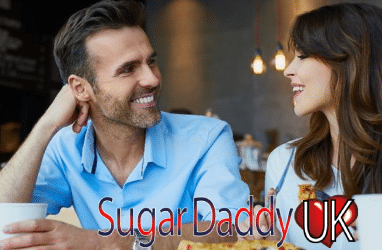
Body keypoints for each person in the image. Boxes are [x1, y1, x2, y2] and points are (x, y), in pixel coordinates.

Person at [0, 1, 249, 249]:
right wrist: (46, 125)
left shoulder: (208, 137)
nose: (152, 79)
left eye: (151, 62)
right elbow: (4, 218)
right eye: (128, 69)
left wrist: (103, 243)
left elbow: (232, 231)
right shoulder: (66, 148)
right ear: (80, 88)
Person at [240, 3, 382, 250]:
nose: (288, 70)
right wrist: (263, 242)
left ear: (352, 61)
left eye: (302, 56)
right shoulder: (284, 163)